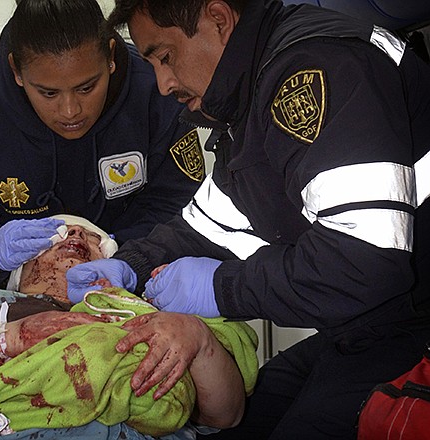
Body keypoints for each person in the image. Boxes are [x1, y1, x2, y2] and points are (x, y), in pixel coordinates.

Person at [65, 0, 430, 438]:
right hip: (369, 321)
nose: (163, 84)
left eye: (166, 57)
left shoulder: (319, 69)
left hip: (411, 321)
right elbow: (211, 223)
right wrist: (132, 264)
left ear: (217, 20)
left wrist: (221, 288)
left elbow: (361, 263)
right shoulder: (252, 97)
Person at [0, 215, 258, 439]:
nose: (75, 235)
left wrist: (198, 338)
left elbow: (226, 416)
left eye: (89, 235)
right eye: (56, 233)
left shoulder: (152, 313)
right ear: (19, 263)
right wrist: (2, 341)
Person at [0, 0, 205, 287]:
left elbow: (188, 211)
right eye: (48, 93)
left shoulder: (156, 96)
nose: (70, 111)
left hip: (135, 278)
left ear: (110, 57)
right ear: (17, 72)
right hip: (24, 295)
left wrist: (125, 255)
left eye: (86, 87)